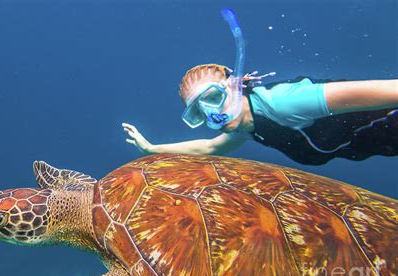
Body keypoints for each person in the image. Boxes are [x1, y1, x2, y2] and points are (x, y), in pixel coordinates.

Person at [123, 9, 398, 165]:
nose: (211, 115)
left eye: (213, 98)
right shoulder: (249, 127)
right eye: (198, 113)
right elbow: (208, 148)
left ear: (235, 86)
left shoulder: (285, 102)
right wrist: (152, 148)